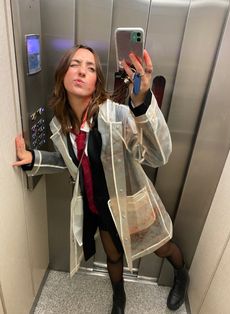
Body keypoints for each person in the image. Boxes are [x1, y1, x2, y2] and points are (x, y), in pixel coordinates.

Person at [13, 44, 189, 313]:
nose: (82, 71)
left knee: (162, 247)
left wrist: (141, 103)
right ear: (62, 74)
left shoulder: (116, 116)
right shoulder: (59, 125)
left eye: (91, 67)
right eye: (74, 64)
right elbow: (71, 162)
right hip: (99, 208)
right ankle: (119, 296)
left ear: (97, 81)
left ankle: (181, 274)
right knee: (113, 255)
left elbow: (157, 155)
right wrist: (34, 159)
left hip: (131, 203)